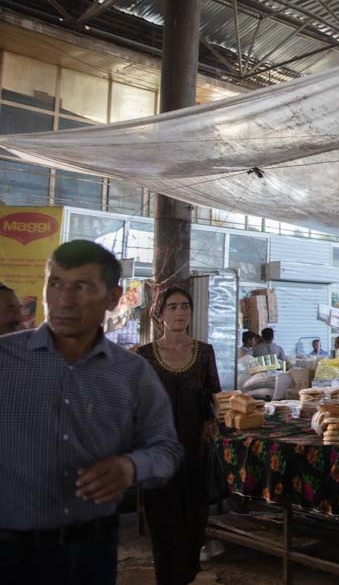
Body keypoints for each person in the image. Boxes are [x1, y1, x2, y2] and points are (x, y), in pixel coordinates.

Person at [0, 240, 182, 585]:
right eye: (55, 284)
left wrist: (131, 466)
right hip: (8, 548)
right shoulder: (4, 360)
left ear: (113, 298)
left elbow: (166, 448)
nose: (64, 300)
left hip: (91, 548)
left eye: (82, 287)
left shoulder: (132, 373)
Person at [137, 287, 221, 585]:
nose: (180, 312)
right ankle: (167, 577)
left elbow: (214, 396)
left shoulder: (204, 352)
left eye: (185, 306)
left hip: (193, 448)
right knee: (162, 517)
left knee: (193, 515)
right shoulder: (143, 355)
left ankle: (187, 574)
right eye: (172, 307)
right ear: (159, 315)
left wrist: (212, 423)